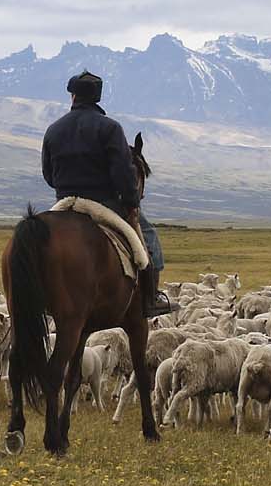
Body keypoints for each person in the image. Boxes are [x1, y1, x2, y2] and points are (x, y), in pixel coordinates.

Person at [41, 71, 175, 318]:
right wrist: (132, 202)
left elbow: (48, 175)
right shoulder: (110, 128)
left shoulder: (53, 129)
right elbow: (123, 174)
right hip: (103, 203)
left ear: (73, 96)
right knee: (149, 237)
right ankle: (151, 299)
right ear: (97, 97)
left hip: (64, 203)